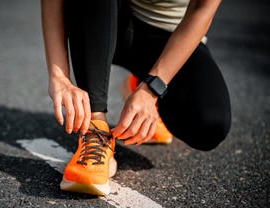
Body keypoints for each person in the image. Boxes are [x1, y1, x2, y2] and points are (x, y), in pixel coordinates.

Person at [41, 0, 231, 196]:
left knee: (209, 124)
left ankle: (138, 86)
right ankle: (96, 131)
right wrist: (59, 76)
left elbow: (202, 9)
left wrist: (151, 90)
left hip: (171, 39)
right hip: (104, 21)